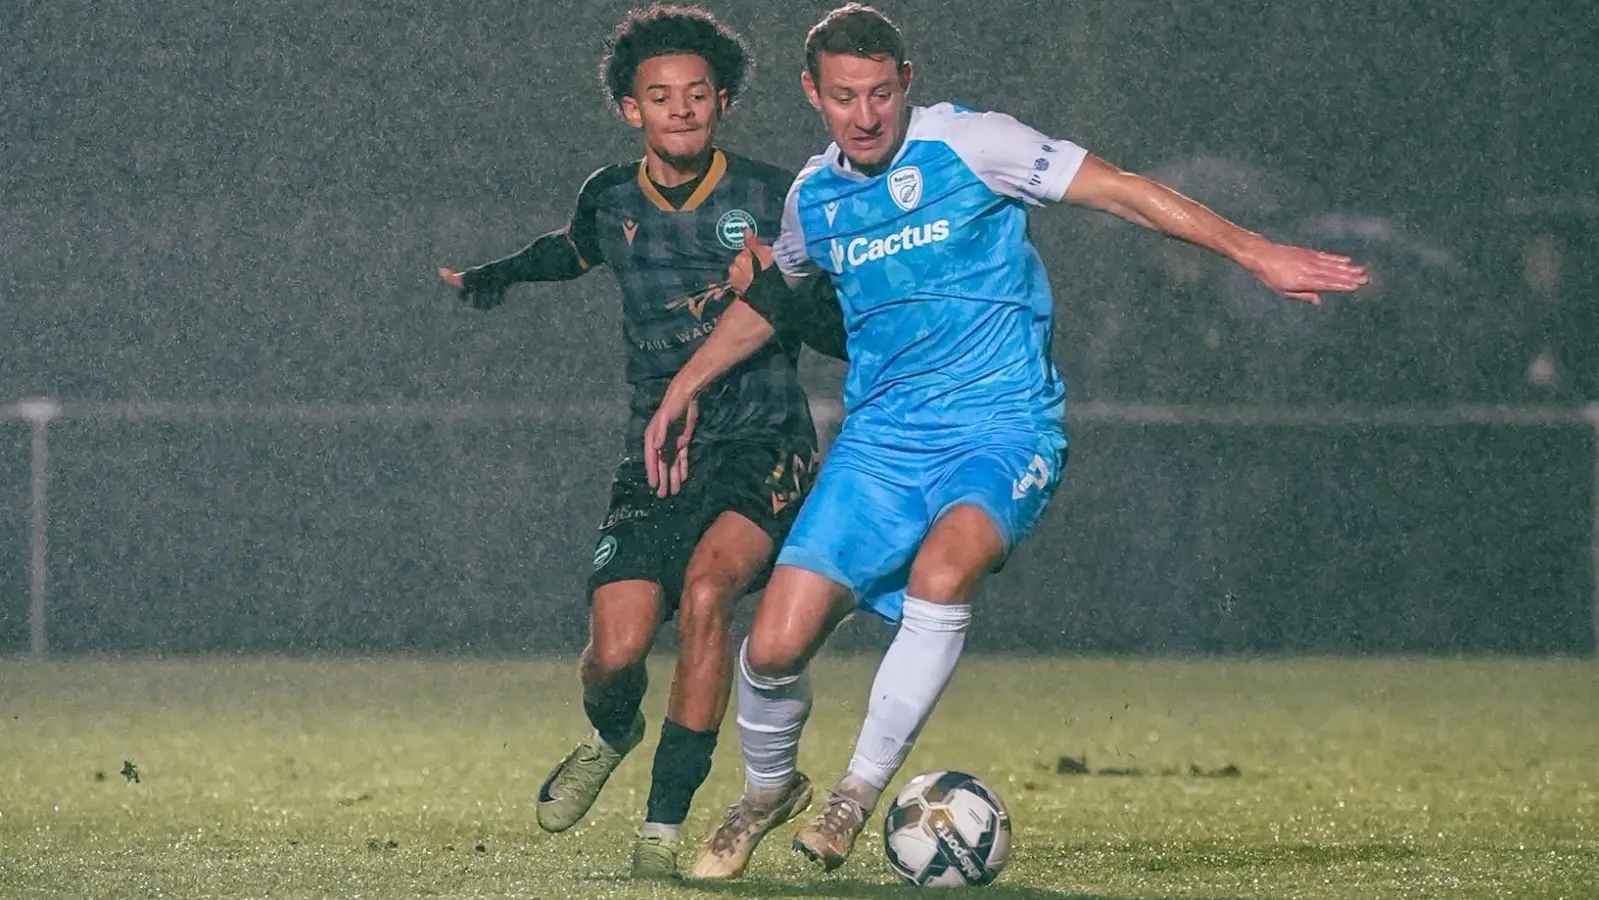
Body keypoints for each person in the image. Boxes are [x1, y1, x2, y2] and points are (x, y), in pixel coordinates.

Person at [642, 2, 1368, 879]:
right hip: (880, 447)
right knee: (771, 649)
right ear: (812, 94)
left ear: (906, 83)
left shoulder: (972, 143)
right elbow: (773, 297)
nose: (864, 116)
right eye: (843, 97)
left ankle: (854, 797)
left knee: (942, 574)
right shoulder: (813, 199)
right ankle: (766, 791)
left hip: (1002, 427)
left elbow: (1122, 190)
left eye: (880, 93)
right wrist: (683, 386)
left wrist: (1253, 253)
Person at [437, 4, 843, 879]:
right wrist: (495, 277)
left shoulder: (779, 198)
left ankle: (662, 826)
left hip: (763, 441)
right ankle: (613, 733)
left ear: (723, 100)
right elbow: (570, 248)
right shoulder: (610, 196)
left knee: (706, 595)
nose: (681, 109)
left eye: (697, 93)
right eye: (660, 97)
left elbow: (843, 331)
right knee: (613, 656)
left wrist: (783, 294)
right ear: (632, 110)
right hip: (658, 451)